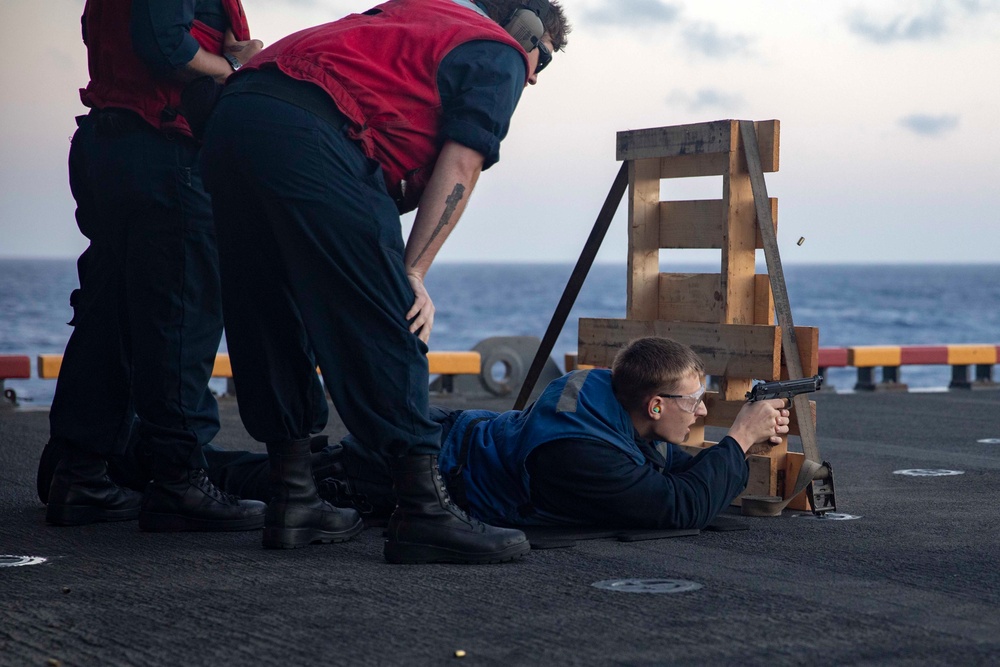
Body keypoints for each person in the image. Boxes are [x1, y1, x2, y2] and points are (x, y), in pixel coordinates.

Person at [199, 0, 571, 562]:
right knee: (387, 315)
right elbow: (463, 164)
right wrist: (413, 272)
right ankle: (423, 510)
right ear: (524, 30)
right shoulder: (498, 49)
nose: (536, 76)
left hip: (235, 119)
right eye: (541, 58)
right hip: (314, 134)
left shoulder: (409, 17)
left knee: (267, 310)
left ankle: (293, 497)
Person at [40, 337, 792, 532]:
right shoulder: (584, 454)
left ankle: (123, 454)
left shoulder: (602, 395)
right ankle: (125, 456)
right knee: (267, 483)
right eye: (694, 399)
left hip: (440, 439)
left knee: (275, 476)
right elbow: (671, 508)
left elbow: (659, 473)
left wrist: (724, 440)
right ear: (654, 405)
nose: (704, 410)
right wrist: (740, 440)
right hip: (416, 462)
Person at [43, 0, 268, 532]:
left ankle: (80, 473)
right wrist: (235, 65)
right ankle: (179, 481)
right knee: (181, 316)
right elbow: (166, 46)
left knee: (109, 316)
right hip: (163, 148)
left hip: (110, 144)